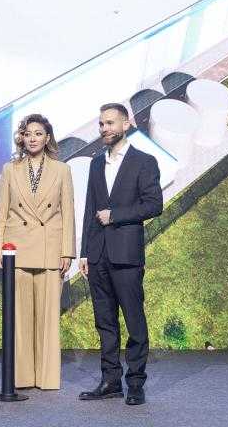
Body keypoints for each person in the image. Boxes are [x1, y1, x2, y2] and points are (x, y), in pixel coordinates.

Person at [78, 103, 163, 406]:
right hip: (98, 255)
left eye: (110, 123)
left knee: (134, 321)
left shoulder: (144, 161)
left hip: (126, 256)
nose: (105, 129)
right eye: (101, 124)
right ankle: (110, 381)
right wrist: (84, 253)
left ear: (126, 124)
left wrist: (115, 215)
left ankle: (136, 383)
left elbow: (154, 204)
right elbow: (90, 209)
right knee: (105, 322)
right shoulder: (95, 164)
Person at [0, 114, 75, 390]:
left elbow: (68, 212)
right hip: (16, 249)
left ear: (47, 138)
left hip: (50, 249)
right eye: (28, 133)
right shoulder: (9, 169)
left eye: (38, 133)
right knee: (19, 317)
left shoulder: (62, 170)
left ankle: (47, 377)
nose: (32, 138)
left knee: (48, 317)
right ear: (22, 137)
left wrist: (67, 252)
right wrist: (0, 249)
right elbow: (1, 212)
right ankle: (22, 376)